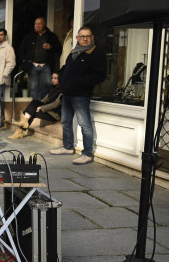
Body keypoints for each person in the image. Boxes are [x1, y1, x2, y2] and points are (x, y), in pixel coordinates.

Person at [51, 26, 106, 164]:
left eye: (88, 36)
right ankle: (68, 147)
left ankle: (87, 154)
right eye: (82, 36)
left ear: (92, 37)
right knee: (65, 121)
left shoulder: (96, 53)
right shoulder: (75, 51)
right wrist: (61, 77)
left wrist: (80, 82)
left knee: (84, 124)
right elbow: (66, 68)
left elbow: (100, 76)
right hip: (67, 92)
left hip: (81, 94)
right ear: (77, 38)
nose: (85, 39)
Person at [9, 72, 62, 139]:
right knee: (32, 108)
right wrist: (37, 105)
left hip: (54, 114)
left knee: (33, 107)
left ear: (61, 79)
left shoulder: (62, 91)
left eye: (55, 78)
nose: (52, 80)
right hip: (48, 111)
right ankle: (21, 129)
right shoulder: (52, 88)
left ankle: (20, 131)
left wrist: (42, 107)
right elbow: (44, 100)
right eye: (52, 78)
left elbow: (56, 104)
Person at [19, 17, 61, 100]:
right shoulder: (29, 36)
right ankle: (36, 106)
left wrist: (50, 47)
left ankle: (42, 103)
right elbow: (21, 50)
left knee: (48, 84)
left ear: (44, 25)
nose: (37, 26)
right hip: (32, 65)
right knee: (34, 87)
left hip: (46, 65)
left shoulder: (50, 36)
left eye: (39, 24)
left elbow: (59, 48)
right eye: (35, 24)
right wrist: (24, 61)